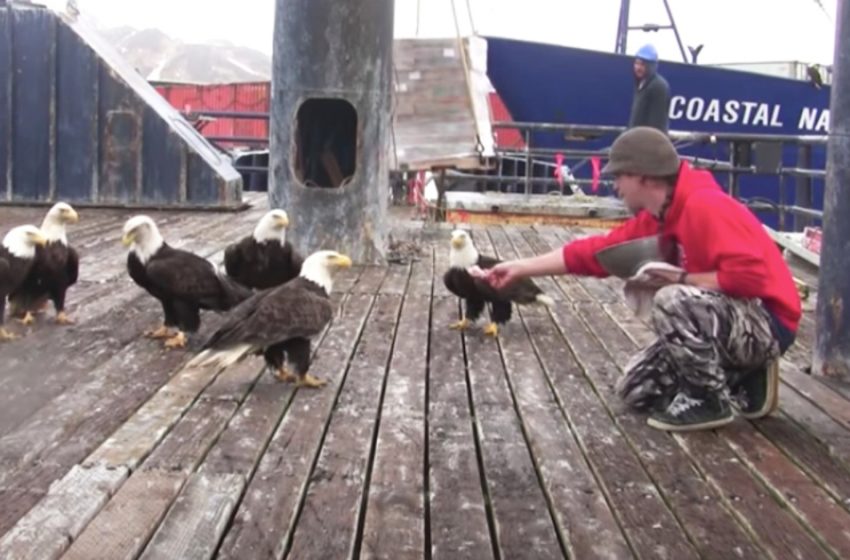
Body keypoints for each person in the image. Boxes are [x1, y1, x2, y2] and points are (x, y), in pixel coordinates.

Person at [474, 127, 800, 432]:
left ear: (643, 177)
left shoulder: (705, 206)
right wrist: (518, 268)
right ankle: (745, 376)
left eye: (619, 176)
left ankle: (709, 400)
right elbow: (594, 253)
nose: (615, 186)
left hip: (768, 322)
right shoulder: (660, 216)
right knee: (636, 389)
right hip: (730, 321)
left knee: (673, 299)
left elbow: (751, 278)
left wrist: (684, 278)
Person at [628, 44, 671, 133]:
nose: (638, 68)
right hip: (635, 139)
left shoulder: (658, 86)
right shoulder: (640, 84)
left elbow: (657, 124)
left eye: (642, 64)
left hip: (648, 143)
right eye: (636, 63)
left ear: (651, 66)